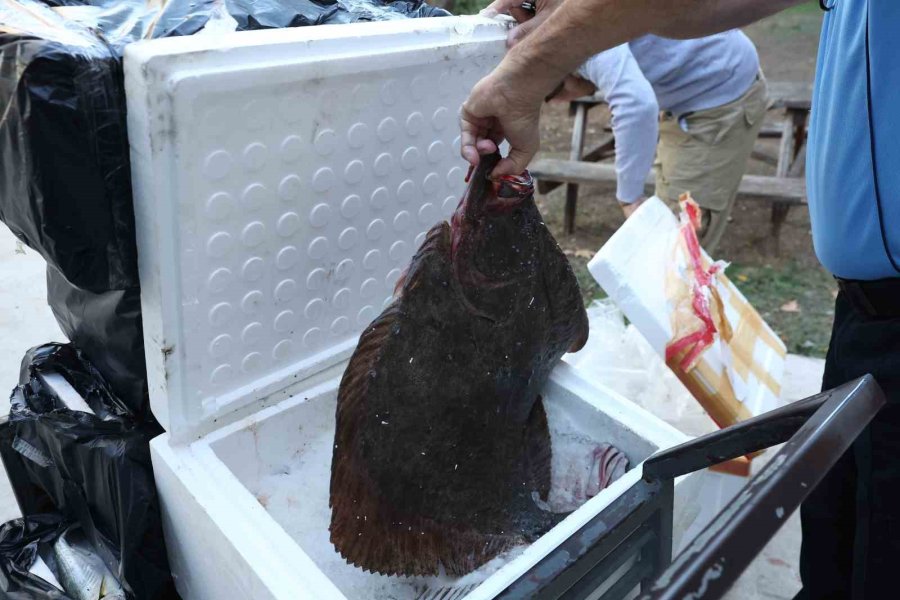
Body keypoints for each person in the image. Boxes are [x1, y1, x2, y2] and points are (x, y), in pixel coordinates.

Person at [460, 1, 900, 598]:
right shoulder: (574, 31)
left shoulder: (586, 42)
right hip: (865, 315)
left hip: (720, 111)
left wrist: (624, 193)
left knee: (680, 268)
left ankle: (685, 399)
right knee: (837, 542)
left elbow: (635, 97)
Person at [550, 33, 768, 251]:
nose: (560, 102)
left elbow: (635, 106)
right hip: (685, 97)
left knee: (678, 249)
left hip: (718, 92)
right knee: (667, 229)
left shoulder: (575, 38)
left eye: (551, 94)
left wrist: (629, 198)